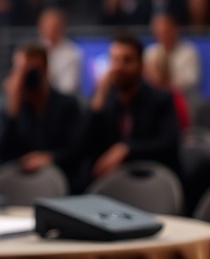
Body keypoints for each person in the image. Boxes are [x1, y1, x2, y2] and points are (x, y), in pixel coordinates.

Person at [74, 34, 181, 192]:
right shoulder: (104, 100)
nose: (119, 67)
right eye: (114, 60)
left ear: (140, 64)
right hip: (109, 183)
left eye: (127, 60)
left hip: (149, 181)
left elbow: (169, 143)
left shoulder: (161, 99)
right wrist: (97, 103)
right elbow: (81, 147)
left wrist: (127, 149)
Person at [0, 42, 82, 182]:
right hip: (18, 182)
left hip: (61, 179)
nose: (28, 76)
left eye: (33, 70)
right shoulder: (7, 109)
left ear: (46, 70)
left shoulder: (68, 105)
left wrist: (50, 157)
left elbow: (78, 151)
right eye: (22, 70)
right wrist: (12, 108)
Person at [145, 12, 201, 97]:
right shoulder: (151, 52)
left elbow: (191, 83)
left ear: (175, 30)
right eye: (159, 32)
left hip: (182, 99)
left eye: (166, 31)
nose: (163, 35)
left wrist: (164, 84)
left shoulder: (188, 52)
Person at [36, 7, 82, 96]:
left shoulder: (73, 53)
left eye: (53, 27)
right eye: (46, 26)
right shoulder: (31, 51)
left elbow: (68, 89)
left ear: (62, 28)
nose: (49, 31)